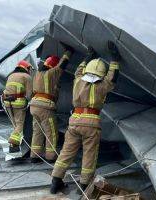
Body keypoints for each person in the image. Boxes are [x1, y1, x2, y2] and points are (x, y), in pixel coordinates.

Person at [50, 41, 121, 194]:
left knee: (66, 152)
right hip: (91, 123)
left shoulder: (77, 80)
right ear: (101, 74)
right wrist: (114, 59)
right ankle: (83, 186)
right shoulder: (103, 85)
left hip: (74, 120)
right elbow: (112, 77)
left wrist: (88, 57)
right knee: (89, 155)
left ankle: (55, 181)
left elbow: (78, 70)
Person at [29, 45, 74, 163]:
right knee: (51, 133)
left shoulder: (37, 74)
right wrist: (68, 52)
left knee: (37, 132)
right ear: (52, 66)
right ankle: (51, 156)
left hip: (34, 106)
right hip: (45, 107)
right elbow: (62, 65)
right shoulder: (52, 73)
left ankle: (35, 156)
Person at [2, 60, 32, 153]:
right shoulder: (27, 76)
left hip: (7, 102)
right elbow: (29, 94)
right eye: (29, 68)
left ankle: (15, 144)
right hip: (18, 103)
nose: (30, 70)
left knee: (15, 124)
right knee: (19, 124)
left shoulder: (11, 75)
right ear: (26, 68)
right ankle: (13, 143)